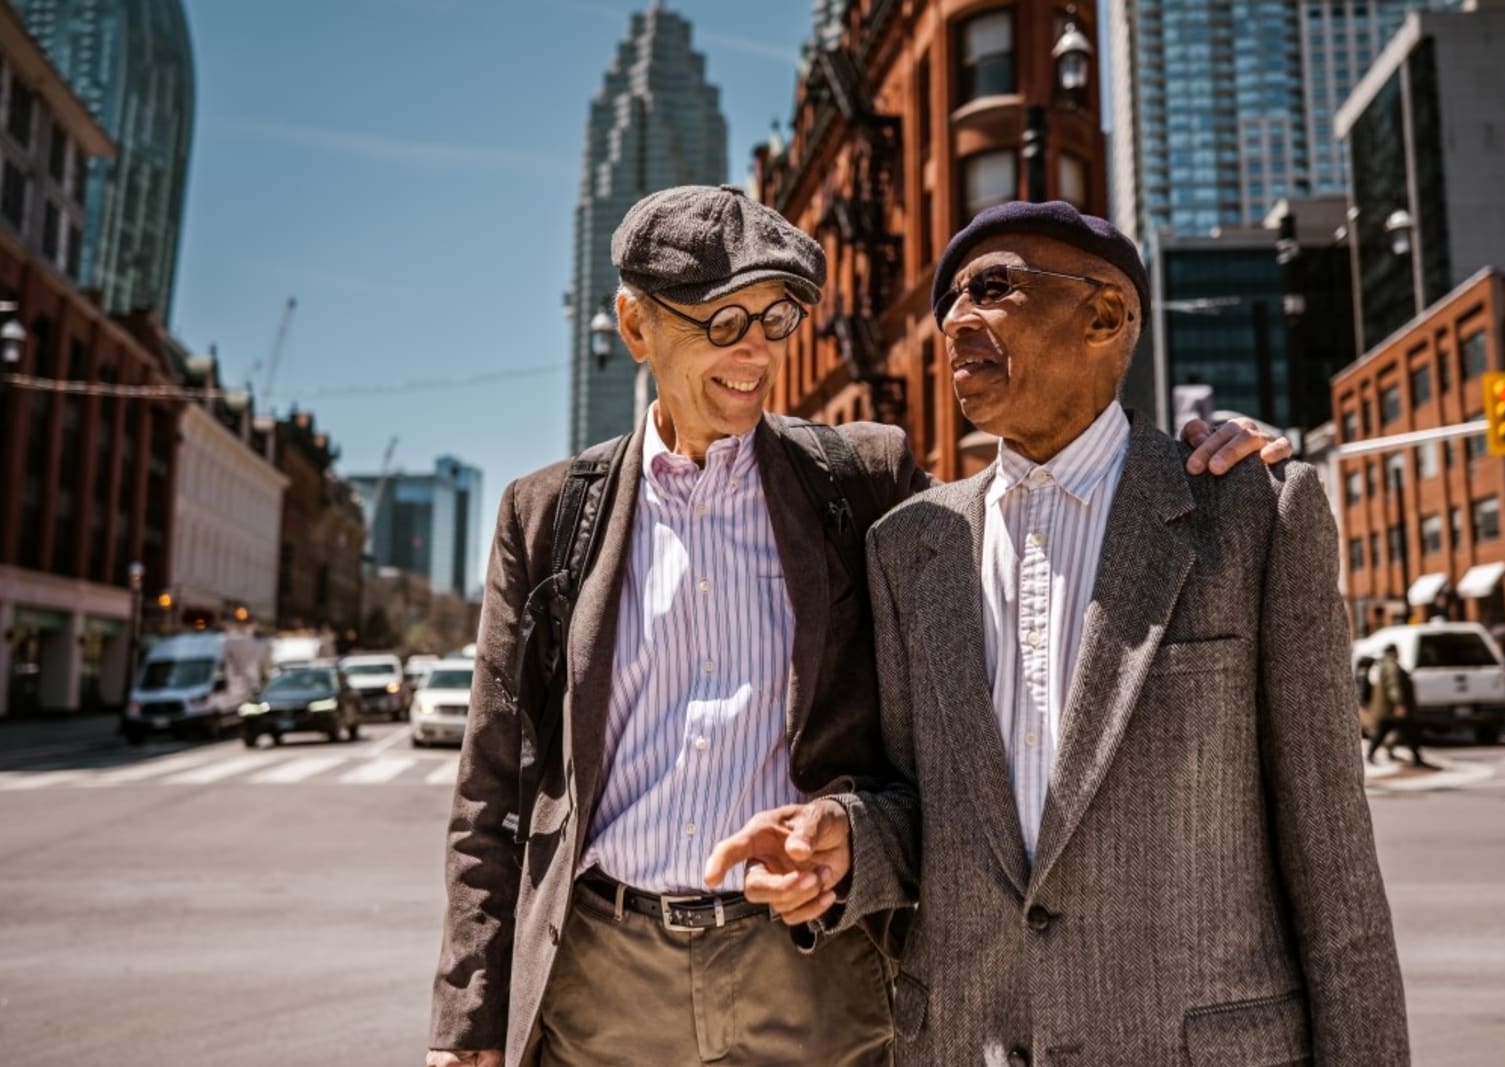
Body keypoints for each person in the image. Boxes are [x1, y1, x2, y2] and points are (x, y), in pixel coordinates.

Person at [425, 186, 1287, 1067]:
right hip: (603, 979)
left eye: (776, 317)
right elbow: (491, 788)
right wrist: (467, 1022)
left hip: (811, 978)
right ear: (636, 326)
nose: (756, 352)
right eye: (723, 322)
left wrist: (1193, 466)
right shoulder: (545, 515)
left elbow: (1038, 547)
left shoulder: (862, 479)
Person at [709, 200, 1408, 1065]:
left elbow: (1334, 864)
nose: (957, 319)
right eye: (950, 302)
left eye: (993, 288)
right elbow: (919, 811)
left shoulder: (1254, 514)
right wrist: (847, 842)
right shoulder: (909, 546)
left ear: (1105, 315)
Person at [1367, 644, 1434, 768]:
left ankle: (1374, 754)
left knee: (1387, 732)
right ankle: (1416, 758)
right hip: (1392, 710)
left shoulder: (1382, 665)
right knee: (1408, 732)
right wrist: (1399, 704)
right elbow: (1394, 686)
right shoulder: (1391, 666)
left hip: (1386, 709)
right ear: (1394, 652)